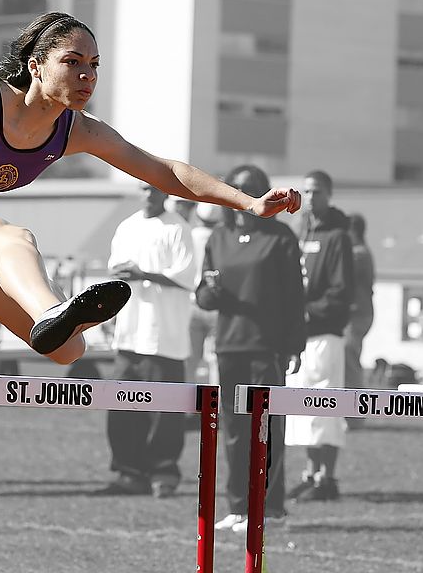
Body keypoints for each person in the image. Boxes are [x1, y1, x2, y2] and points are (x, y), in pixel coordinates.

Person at [0, 11, 300, 369]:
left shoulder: (76, 131)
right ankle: (50, 311)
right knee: (14, 240)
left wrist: (248, 201)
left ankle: (54, 319)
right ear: (35, 66)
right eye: (73, 62)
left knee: (69, 350)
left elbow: (165, 172)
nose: (87, 76)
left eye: (94, 65)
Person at [194, 164, 306, 533]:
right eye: (238, 189)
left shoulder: (280, 237)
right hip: (229, 346)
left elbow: (294, 296)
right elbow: (203, 294)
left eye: (251, 189)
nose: (244, 196)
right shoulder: (218, 238)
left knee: (268, 427)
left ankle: (271, 507)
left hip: (268, 346)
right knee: (234, 429)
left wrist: (294, 345)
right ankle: (238, 507)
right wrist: (210, 292)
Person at [98, 183, 196, 498]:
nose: (150, 194)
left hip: (163, 336)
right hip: (130, 332)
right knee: (122, 404)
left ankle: (163, 472)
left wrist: (144, 274)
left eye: (156, 189)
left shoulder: (178, 228)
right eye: (144, 188)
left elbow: (186, 277)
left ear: (166, 194)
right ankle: (129, 472)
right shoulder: (127, 226)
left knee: (164, 410)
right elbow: (115, 272)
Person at [285, 169, 353, 502]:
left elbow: (342, 291)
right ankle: (310, 473)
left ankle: (328, 477)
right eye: (306, 192)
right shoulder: (299, 230)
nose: (311, 198)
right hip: (299, 336)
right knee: (302, 407)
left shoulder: (339, 236)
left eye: (317, 192)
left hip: (326, 334)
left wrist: (311, 311)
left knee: (325, 406)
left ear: (329, 194)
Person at [342, 212, 375, 428]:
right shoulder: (361, 252)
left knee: (349, 358)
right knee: (349, 360)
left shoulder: (358, 254)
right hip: (358, 314)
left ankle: (354, 417)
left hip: (357, 315)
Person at [185, 201, 222, 385]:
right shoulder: (221, 238)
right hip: (215, 305)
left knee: (190, 361)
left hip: (191, 303)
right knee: (215, 360)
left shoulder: (190, 236)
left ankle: (187, 409)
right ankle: (217, 408)